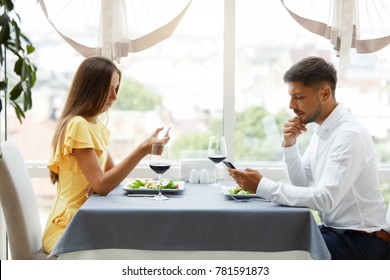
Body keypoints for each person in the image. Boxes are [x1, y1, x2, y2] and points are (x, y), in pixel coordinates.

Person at [228, 56, 390, 260]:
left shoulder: (349, 135)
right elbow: (302, 184)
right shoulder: (323, 131)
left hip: (363, 242)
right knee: (271, 242)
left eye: (298, 96)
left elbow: (325, 200)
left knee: (285, 255)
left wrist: (262, 186)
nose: (290, 105)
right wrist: (290, 145)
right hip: (338, 233)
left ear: (324, 93)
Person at [42, 56, 169, 254]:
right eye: (109, 88)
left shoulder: (95, 126)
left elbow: (110, 177)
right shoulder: (78, 125)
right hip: (67, 230)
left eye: (116, 88)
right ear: (91, 88)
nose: (114, 96)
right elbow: (103, 185)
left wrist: (101, 181)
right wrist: (142, 149)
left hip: (85, 221)